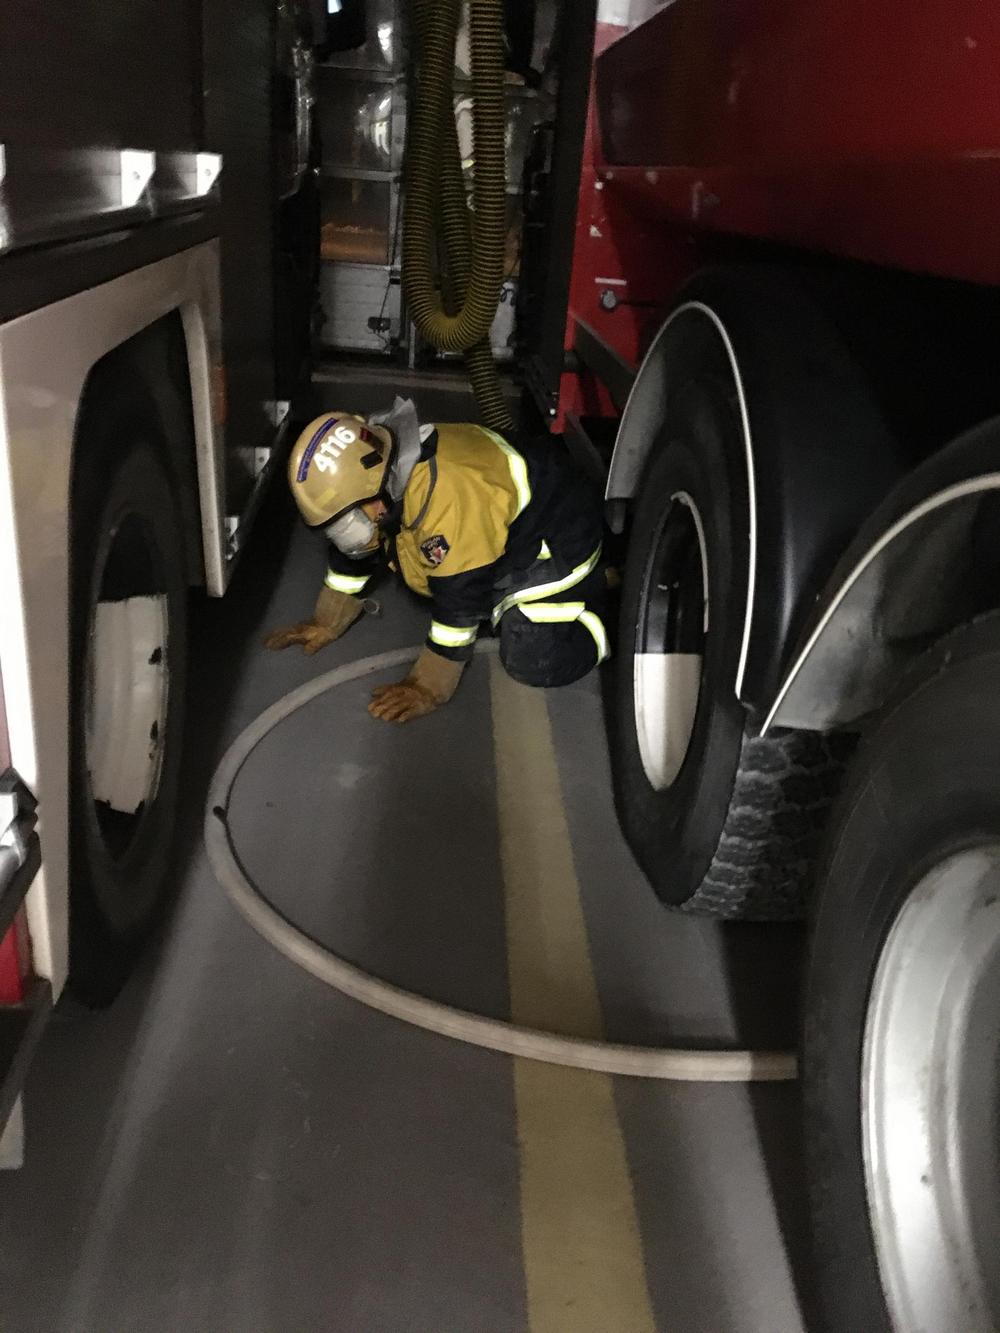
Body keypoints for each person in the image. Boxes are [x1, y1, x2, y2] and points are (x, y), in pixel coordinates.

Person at [265, 398, 609, 723]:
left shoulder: (449, 501)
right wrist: (328, 619)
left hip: (557, 542)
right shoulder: (385, 474)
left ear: (376, 495)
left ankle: (603, 613)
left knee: (532, 656)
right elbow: (358, 551)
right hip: (504, 528)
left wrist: (428, 685)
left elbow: (460, 600)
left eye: (347, 524)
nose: (347, 535)